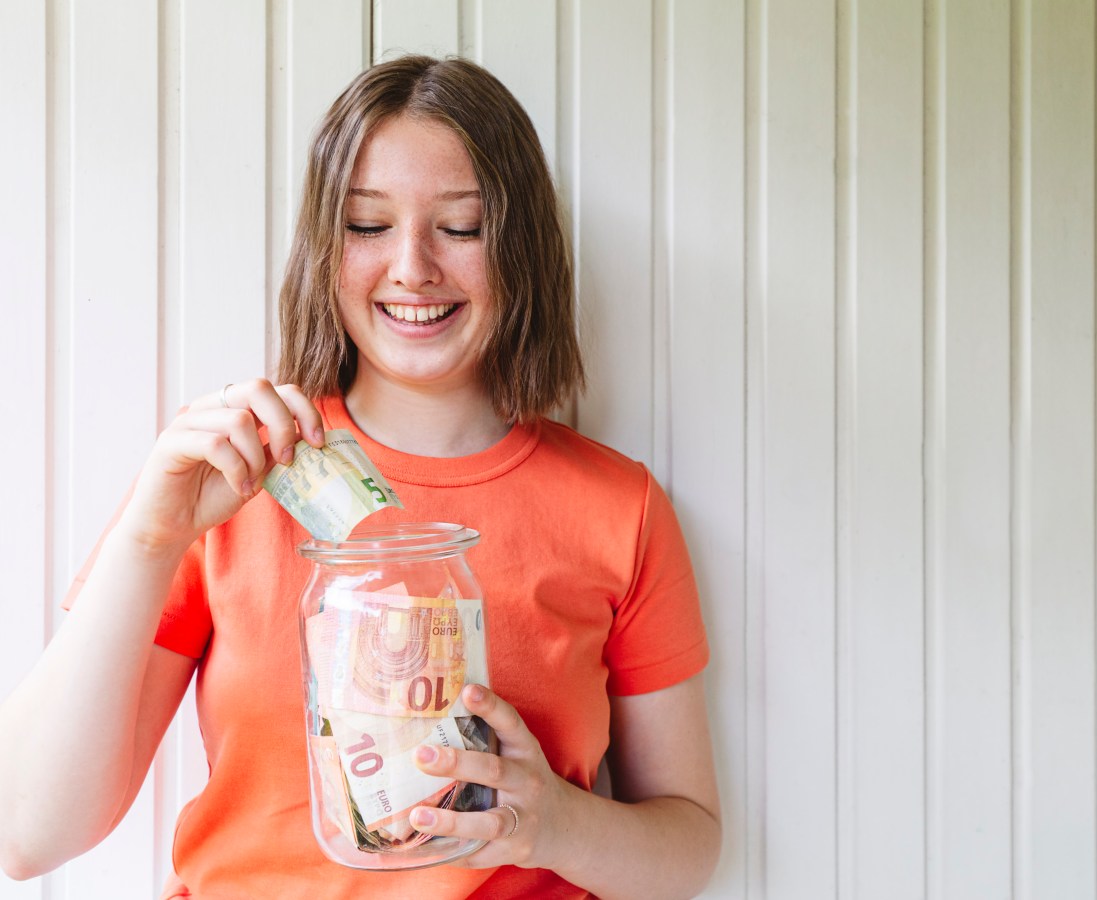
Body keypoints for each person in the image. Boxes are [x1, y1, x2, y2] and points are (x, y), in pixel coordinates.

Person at [0, 55, 720, 898]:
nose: (413, 267)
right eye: (367, 225)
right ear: (323, 247)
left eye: (462, 227)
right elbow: (27, 833)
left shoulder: (619, 509)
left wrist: (554, 823)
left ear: (520, 248)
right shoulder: (227, 479)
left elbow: (688, 846)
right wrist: (152, 535)